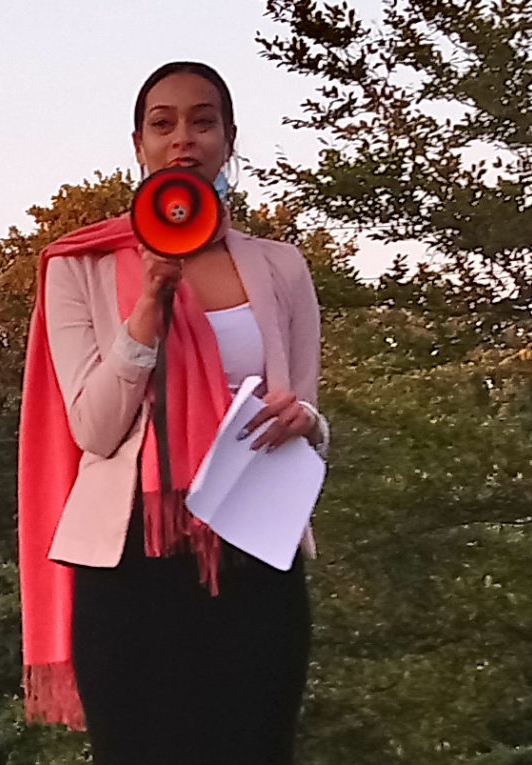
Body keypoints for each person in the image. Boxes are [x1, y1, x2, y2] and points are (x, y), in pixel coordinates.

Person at [17, 61, 328, 765]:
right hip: (128, 562)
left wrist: (308, 422)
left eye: (203, 121)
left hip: (254, 548)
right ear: (140, 145)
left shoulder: (281, 267)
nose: (183, 137)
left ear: (229, 140)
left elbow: (310, 423)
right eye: (163, 123)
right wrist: (148, 310)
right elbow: (95, 429)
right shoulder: (80, 265)